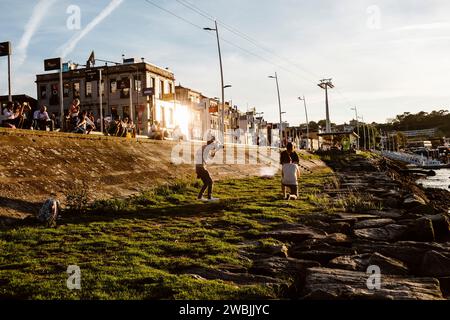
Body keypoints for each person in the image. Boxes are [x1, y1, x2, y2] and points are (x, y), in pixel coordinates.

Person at [195, 136, 221, 201]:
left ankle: (200, 197)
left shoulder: (203, 148)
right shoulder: (206, 148)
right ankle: (209, 197)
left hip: (198, 167)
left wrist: (214, 152)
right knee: (210, 182)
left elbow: (210, 157)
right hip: (201, 167)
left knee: (206, 183)